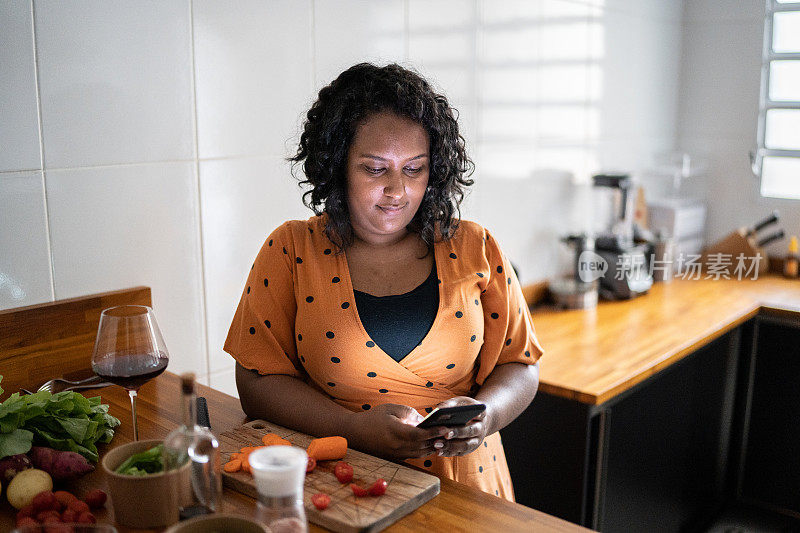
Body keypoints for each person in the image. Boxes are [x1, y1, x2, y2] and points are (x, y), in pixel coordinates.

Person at [224, 63, 543, 501]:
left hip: (469, 490)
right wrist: (352, 428)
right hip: (343, 491)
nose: (398, 190)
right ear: (338, 167)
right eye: (375, 169)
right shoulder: (292, 250)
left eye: (415, 169)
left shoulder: (475, 245)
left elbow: (520, 363)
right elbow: (257, 382)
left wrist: (486, 415)